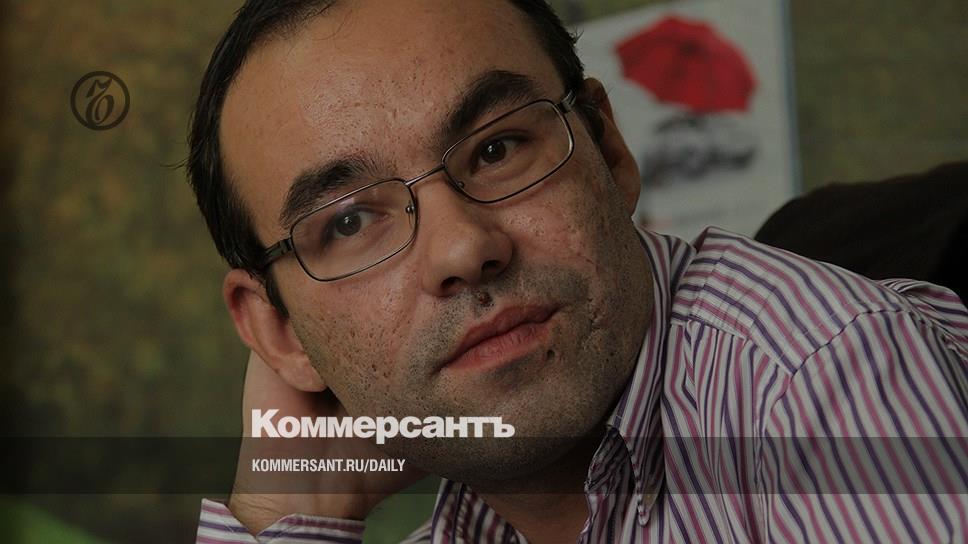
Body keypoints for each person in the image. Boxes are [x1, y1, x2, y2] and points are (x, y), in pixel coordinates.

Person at [188, 1, 968, 542]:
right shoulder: (467, 528)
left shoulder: (822, 384)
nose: (462, 249)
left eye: (497, 149)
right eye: (350, 222)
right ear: (279, 333)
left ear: (608, 148)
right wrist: (283, 509)